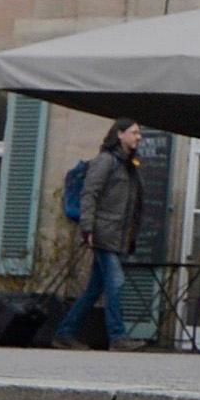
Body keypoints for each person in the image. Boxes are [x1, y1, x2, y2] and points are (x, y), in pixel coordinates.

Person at [55, 118, 151, 350]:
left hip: (117, 235)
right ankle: (117, 337)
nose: (138, 137)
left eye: (139, 133)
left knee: (94, 289)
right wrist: (87, 228)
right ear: (120, 134)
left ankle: (64, 333)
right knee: (116, 282)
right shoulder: (106, 161)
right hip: (104, 233)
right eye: (134, 132)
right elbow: (89, 194)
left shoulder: (129, 164)